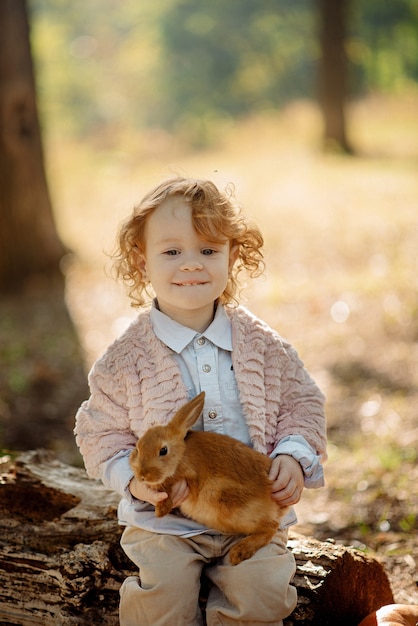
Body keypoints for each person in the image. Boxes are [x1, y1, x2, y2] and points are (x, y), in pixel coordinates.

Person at [74, 177, 327, 626]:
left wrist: (293, 453)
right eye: (172, 252)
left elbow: (302, 403)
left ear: (233, 255)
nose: (191, 264)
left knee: (262, 595)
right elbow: (99, 433)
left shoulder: (263, 347)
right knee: (160, 600)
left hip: (248, 509)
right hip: (168, 523)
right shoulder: (124, 360)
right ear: (141, 262)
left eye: (208, 251)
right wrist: (133, 484)